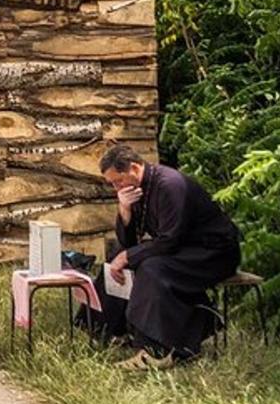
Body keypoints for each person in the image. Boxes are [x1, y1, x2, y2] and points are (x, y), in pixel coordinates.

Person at [82, 144, 241, 369]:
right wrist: (124, 211)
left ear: (134, 168)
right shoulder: (137, 189)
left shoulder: (170, 185)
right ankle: (107, 330)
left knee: (152, 268)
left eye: (118, 181)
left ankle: (154, 350)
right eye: (113, 184)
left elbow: (169, 240)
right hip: (184, 250)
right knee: (118, 256)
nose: (117, 187)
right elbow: (130, 242)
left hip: (214, 253)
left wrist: (129, 256)